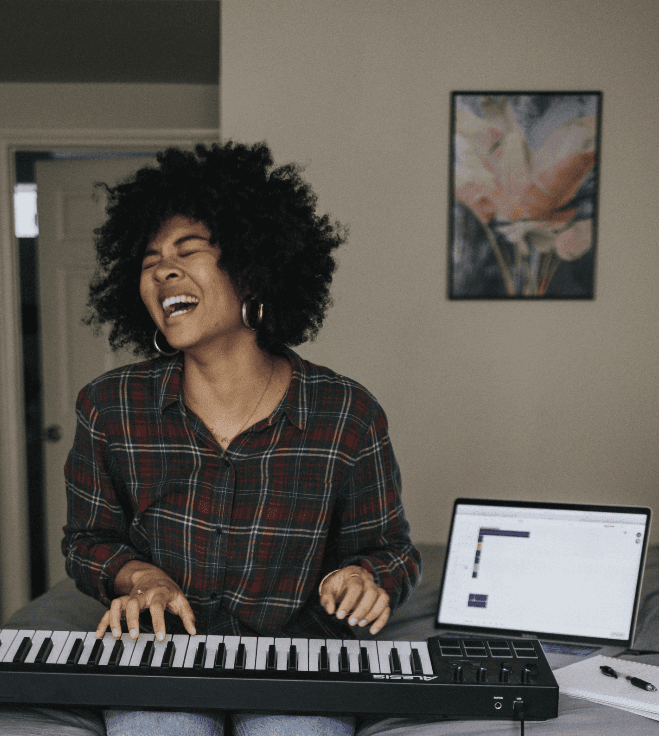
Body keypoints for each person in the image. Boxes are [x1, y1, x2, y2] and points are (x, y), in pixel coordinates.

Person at [62, 141, 421, 736]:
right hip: (164, 655)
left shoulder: (345, 413)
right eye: (149, 259)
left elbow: (393, 551)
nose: (161, 270)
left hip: (299, 660)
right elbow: (87, 540)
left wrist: (362, 579)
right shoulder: (110, 407)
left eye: (188, 252)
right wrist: (140, 577)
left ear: (254, 267)